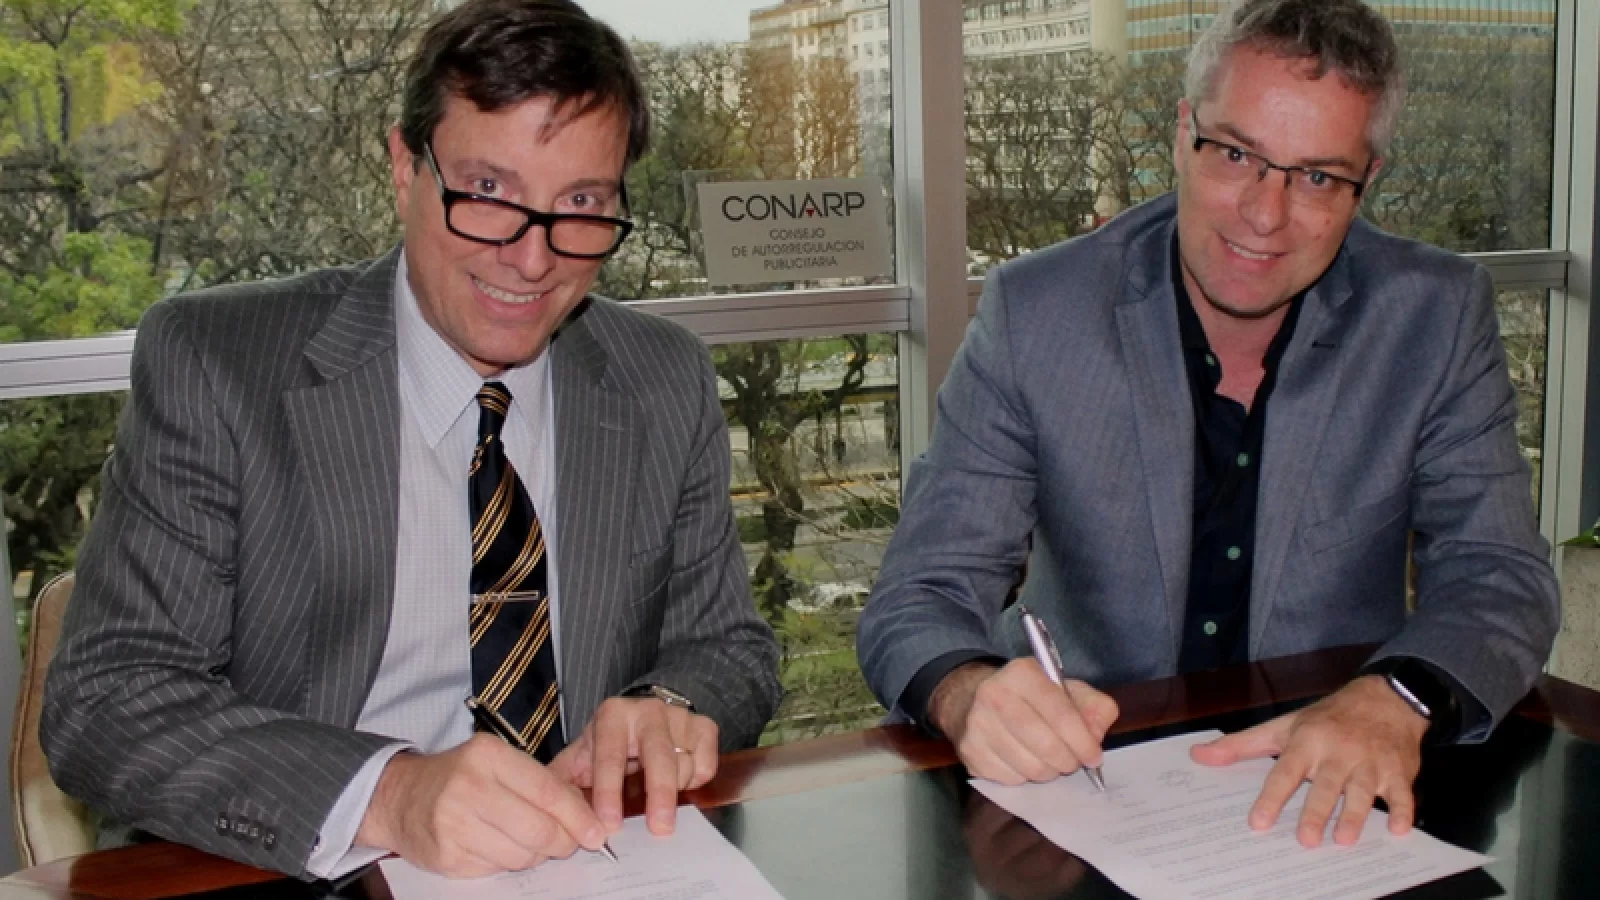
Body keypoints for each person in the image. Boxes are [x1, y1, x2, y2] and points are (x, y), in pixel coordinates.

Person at [41, 0, 780, 880]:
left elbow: (728, 648)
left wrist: (667, 704)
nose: (532, 259)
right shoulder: (219, 364)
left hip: (587, 865)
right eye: (489, 192)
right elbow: (108, 699)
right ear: (405, 168)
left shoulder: (662, 376)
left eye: (581, 203)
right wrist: (389, 793)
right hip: (292, 871)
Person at [857, 0, 1558, 851]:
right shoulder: (1038, 312)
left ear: (1367, 181)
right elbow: (921, 592)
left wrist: (1399, 697)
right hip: (1083, 787)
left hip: (1330, 790)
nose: (1265, 214)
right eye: (1236, 154)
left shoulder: (1433, 316)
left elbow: (1499, 575)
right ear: (1183, 133)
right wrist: (966, 690)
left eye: (1317, 177)